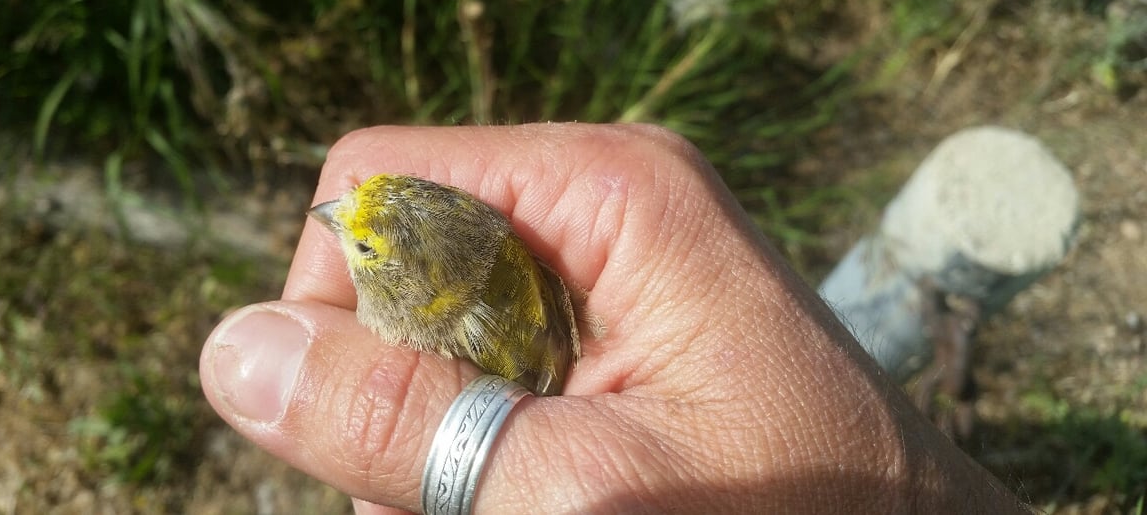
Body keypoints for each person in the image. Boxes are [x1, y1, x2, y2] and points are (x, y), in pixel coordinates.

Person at [200, 124, 1030, 513]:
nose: (334, 214)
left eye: (364, 241)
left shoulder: (435, 325)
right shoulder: (484, 259)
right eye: (360, 218)